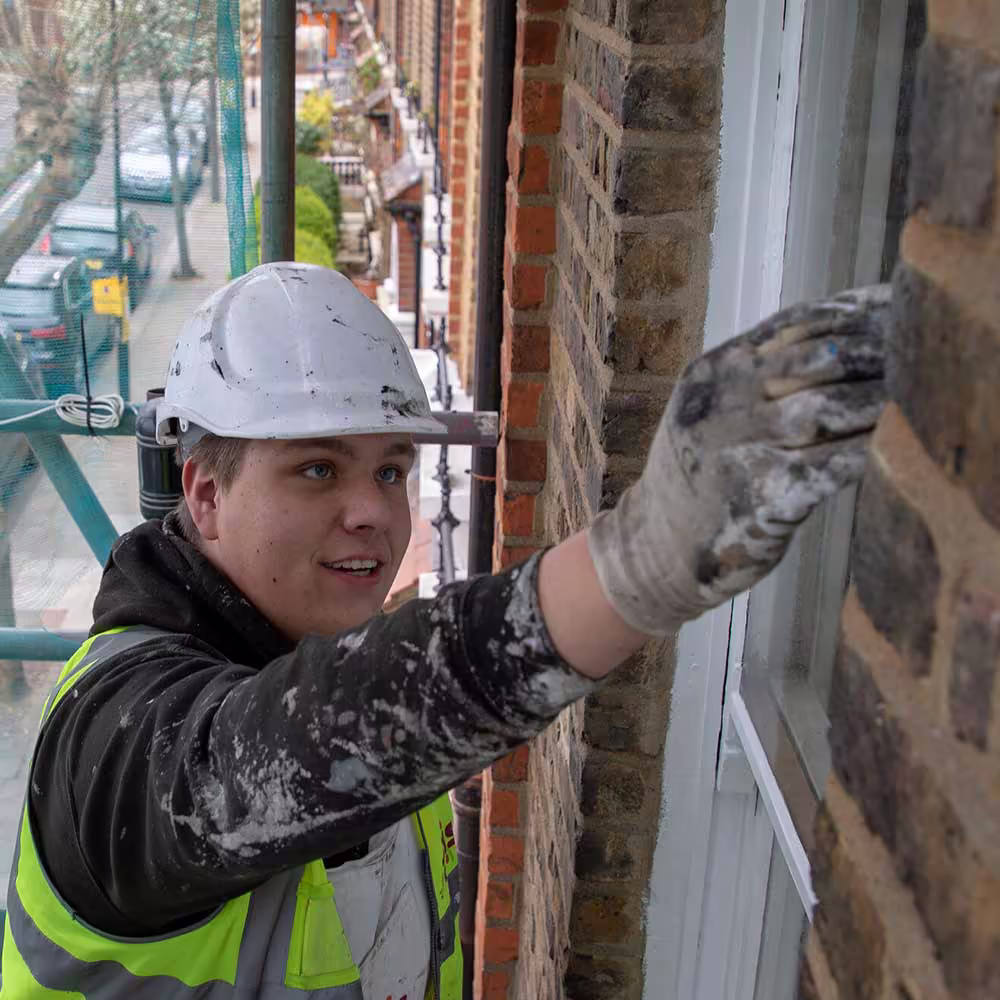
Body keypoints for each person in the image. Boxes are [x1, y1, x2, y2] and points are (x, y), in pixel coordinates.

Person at [2, 263, 889, 998]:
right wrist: (639, 565)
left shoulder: (316, 648)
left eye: (392, 470)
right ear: (204, 494)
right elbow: (284, 752)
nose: (371, 513)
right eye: (317, 469)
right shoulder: (111, 742)